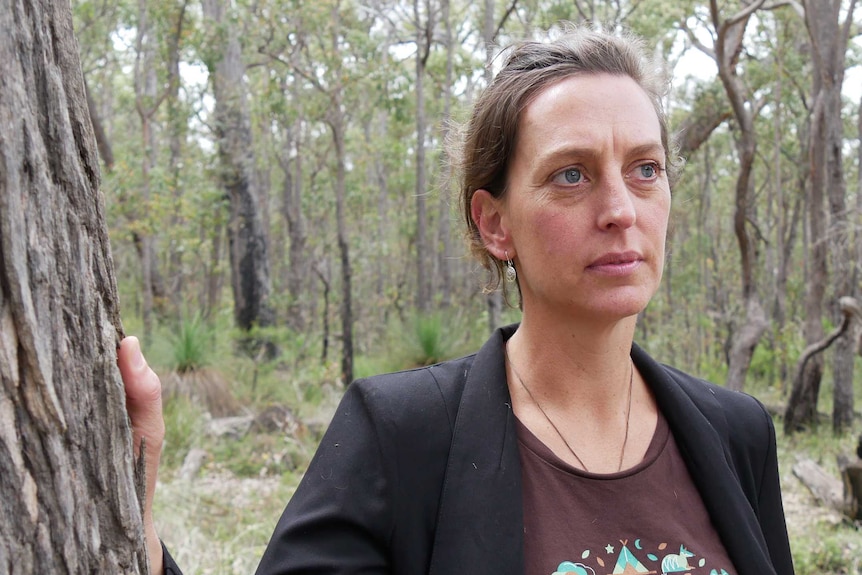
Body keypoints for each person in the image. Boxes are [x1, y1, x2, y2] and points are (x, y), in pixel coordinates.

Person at [119, 25, 794, 575]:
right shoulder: (402, 435)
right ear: (494, 223)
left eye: (645, 169)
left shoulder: (734, 431)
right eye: (571, 174)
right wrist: (137, 525)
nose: (621, 208)